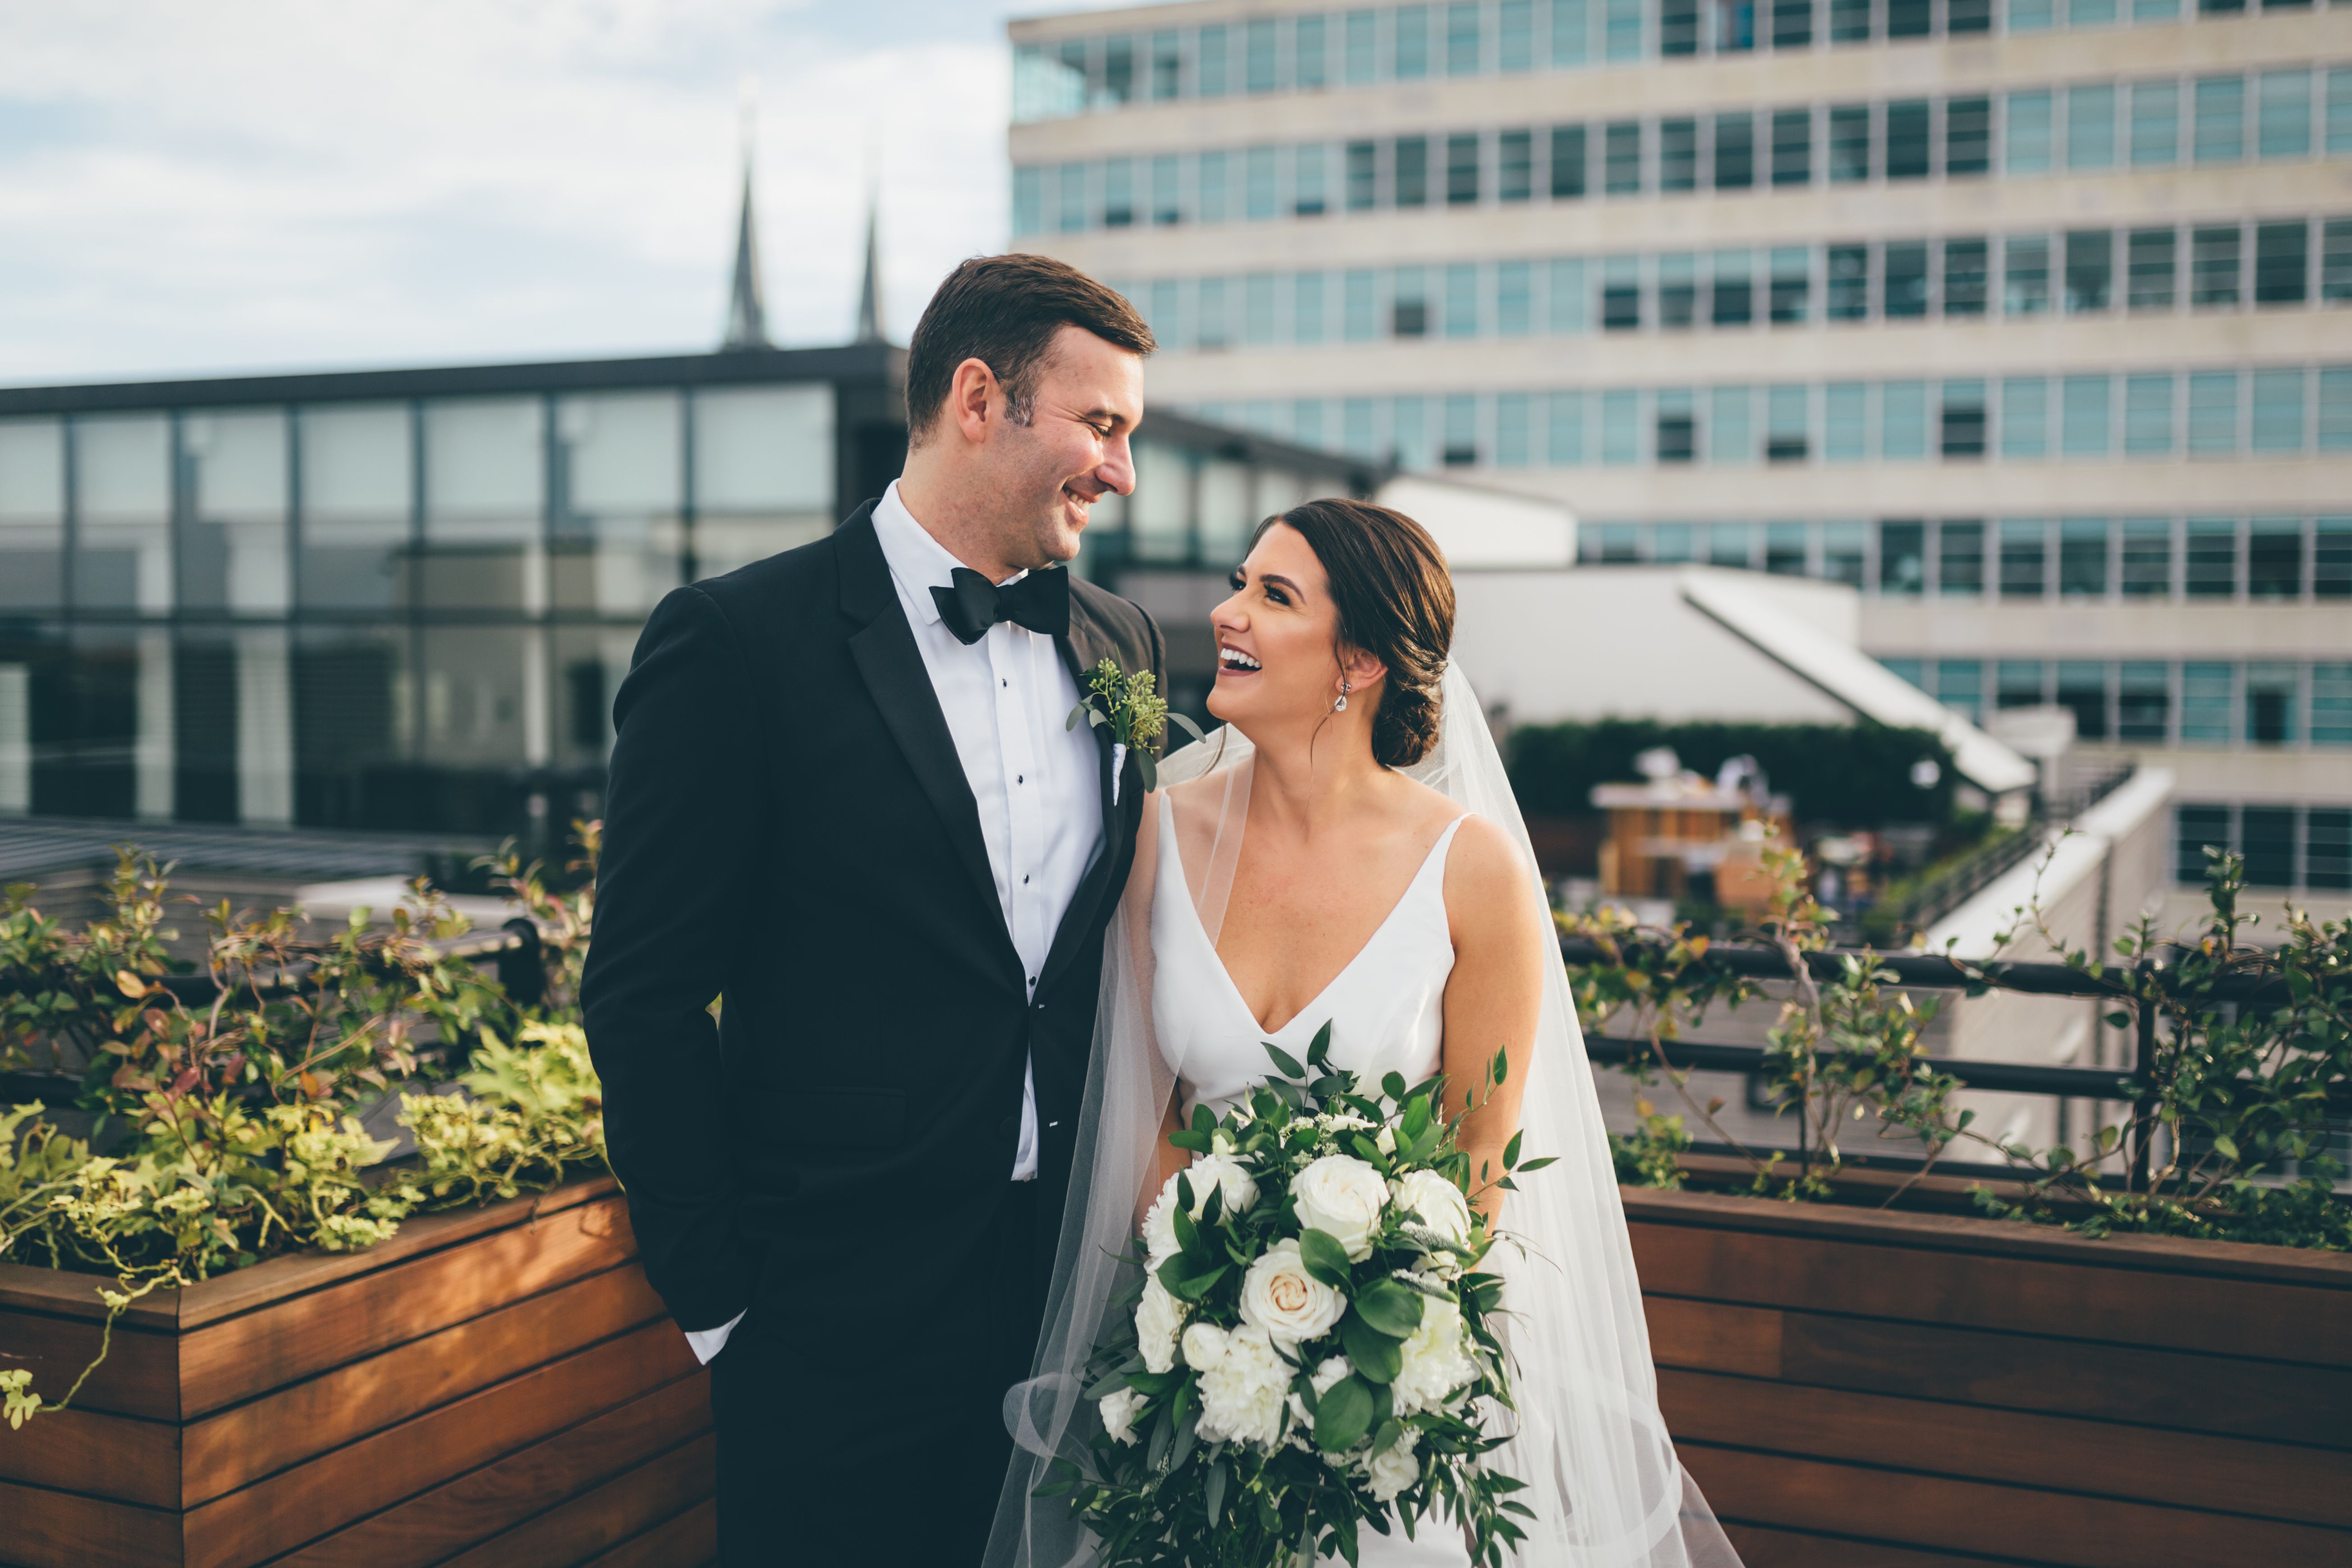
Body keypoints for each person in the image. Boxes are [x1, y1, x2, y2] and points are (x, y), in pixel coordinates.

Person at [990, 500, 1745, 1567]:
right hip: (1199, 1372)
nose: (1224, 612)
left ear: (1359, 659)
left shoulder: (1470, 869)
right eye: (1239, 581)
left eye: (1272, 595)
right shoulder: (1158, 831)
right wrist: (1218, 1328)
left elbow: (1477, 1159)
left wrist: (1354, 1356)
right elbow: (1149, 1117)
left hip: (1391, 1398)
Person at [582, 253, 1166, 1567]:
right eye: (1101, 425)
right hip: (826, 1318)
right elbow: (643, 990)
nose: (1121, 470)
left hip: (1065, 1302)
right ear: (978, 396)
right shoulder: (735, 642)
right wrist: (721, 1301)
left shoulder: (1124, 642)